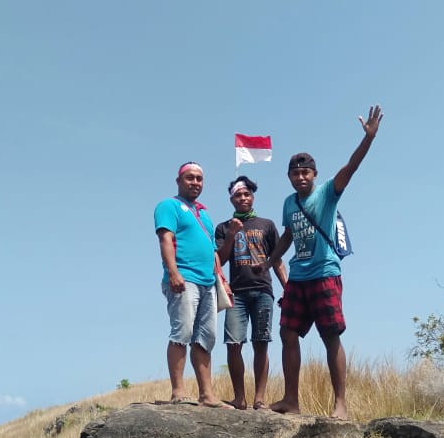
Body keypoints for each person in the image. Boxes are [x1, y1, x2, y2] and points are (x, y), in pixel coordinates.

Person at [257, 105, 383, 420]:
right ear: (289, 177)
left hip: (325, 273)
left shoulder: (328, 192)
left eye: (305, 172)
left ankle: (340, 403)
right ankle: (290, 399)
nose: (300, 177)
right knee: (287, 333)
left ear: (314, 174)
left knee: (330, 336)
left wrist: (368, 139)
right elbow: (288, 235)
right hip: (298, 277)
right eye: (295, 173)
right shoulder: (289, 202)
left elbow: (351, 167)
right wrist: (271, 261)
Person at [154, 161, 227, 408]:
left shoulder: (204, 213)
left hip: (208, 282)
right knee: (181, 333)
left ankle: (207, 395)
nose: (195, 182)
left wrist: (222, 282)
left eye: (199, 178)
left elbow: (213, 251)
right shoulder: (169, 206)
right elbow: (166, 238)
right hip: (185, 279)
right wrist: (173, 272)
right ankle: (178, 391)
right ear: (179, 180)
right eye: (190, 178)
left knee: (206, 337)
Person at [214, 176, 288, 410]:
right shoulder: (224, 227)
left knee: (261, 343)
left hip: (263, 290)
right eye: (238, 195)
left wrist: (289, 289)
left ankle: (259, 398)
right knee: (233, 344)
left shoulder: (266, 224)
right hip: (236, 293)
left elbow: (277, 260)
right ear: (231, 199)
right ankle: (239, 398)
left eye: (247, 194)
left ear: (253, 197)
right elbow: (221, 260)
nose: (243, 198)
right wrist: (232, 235)